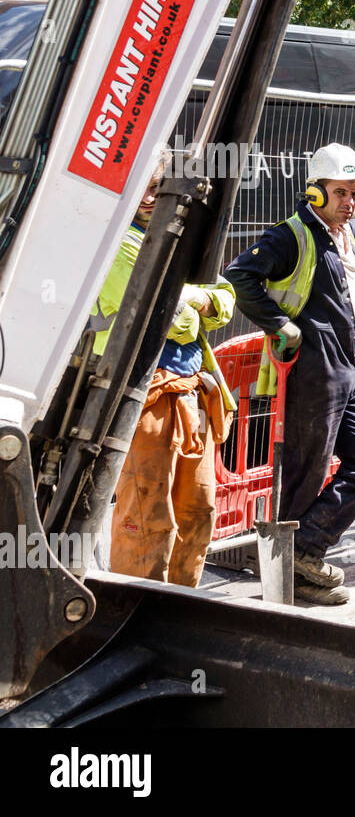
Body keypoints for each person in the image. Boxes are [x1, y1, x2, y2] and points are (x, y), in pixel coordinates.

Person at [225, 143, 355, 606]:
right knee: (306, 472)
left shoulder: (346, 232)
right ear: (315, 192)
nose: (350, 201)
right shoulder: (291, 236)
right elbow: (240, 275)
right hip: (312, 373)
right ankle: (294, 571)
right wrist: (279, 324)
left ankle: (303, 550)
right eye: (341, 192)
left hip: (349, 370)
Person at [93, 149, 237, 587]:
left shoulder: (181, 240)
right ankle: (135, 610)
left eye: (161, 187)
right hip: (146, 393)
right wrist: (198, 302)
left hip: (191, 392)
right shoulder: (117, 242)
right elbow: (176, 320)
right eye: (146, 188)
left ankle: (179, 605)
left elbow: (226, 298)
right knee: (148, 514)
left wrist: (195, 300)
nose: (153, 197)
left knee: (199, 510)